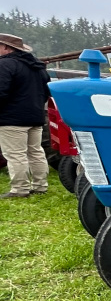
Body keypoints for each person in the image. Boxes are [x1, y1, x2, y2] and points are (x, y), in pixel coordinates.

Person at [0, 33, 50, 198]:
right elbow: (47, 91)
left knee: (15, 154)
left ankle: (20, 190)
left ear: (6, 47)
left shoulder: (5, 65)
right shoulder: (37, 67)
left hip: (11, 118)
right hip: (35, 116)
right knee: (35, 151)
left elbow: (1, 91)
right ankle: (40, 186)